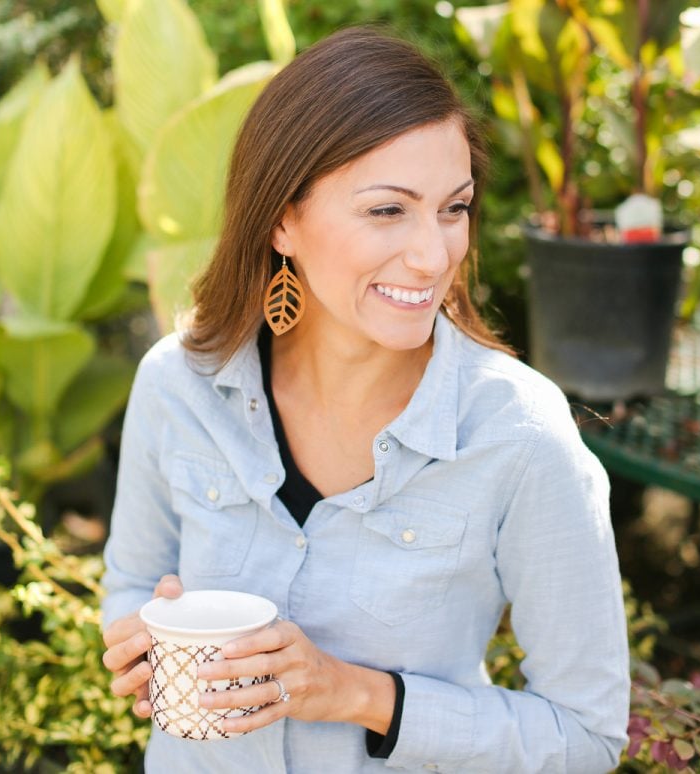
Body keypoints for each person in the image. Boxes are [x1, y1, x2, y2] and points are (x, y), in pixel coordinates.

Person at [101, 26, 630, 773]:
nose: (434, 253)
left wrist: (356, 694)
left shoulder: (520, 436)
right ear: (283, 219)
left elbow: (585, 736)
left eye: (454, 207)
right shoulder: (177, 386)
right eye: (389, 210)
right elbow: (130, 581)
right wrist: (133, 638)